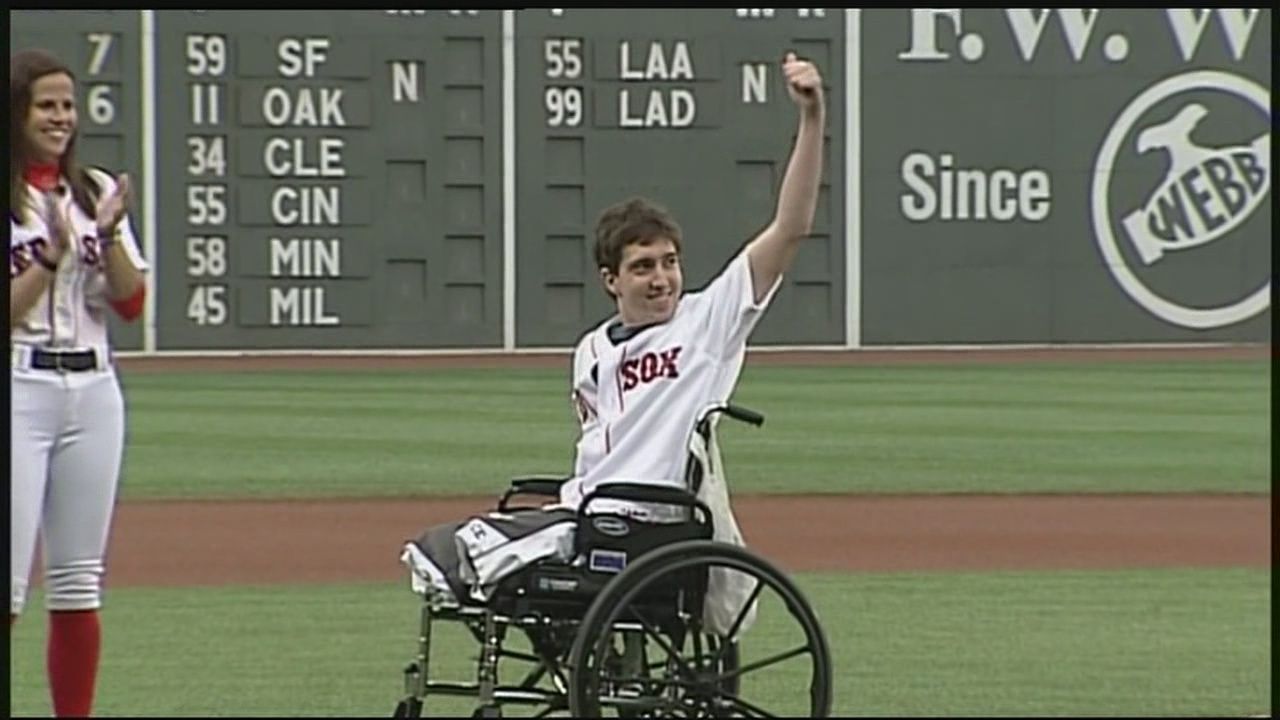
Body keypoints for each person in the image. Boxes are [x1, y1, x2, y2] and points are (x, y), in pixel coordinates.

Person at [403, 52, 825, 601]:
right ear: (611, 280)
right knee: (462, 549)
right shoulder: (591, 351)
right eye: (643, 266)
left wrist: (812, 118)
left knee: (465, 549)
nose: (661, 278)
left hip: (647, 520)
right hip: (591, 511)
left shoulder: (706, 322)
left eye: (669, 262)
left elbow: (791, 228)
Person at [10, 48, 148, 718]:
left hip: (94, 392)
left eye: (67, 104)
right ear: (17, 113)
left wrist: (112, 235)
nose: (61, 117)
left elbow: (130, 304)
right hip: (18, 390)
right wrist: (52, 257)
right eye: (46, 105)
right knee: (7, 589)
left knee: (77, 583)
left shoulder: (91, 192)